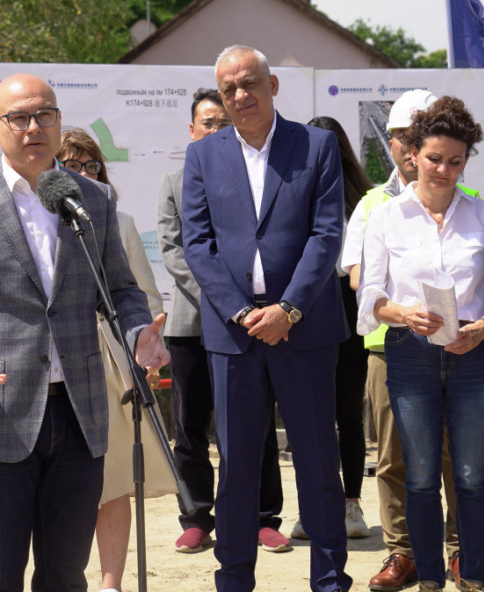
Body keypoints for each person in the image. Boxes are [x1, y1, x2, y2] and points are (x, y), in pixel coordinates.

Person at [0, 73, 168, 592]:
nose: (33, 127)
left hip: (79, 413)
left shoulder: (92, 199)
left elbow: (120, 290)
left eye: (44, 114)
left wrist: (139, 330)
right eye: (19, 118)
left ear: (58, 121)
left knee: (66, 577)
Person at [180, 45, 352, 592]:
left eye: (250, 83)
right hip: (234, 336)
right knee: (236, 468)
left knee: (318, 463)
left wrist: (288, 309)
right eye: (229, 88)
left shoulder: (316, 145)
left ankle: (330, 579)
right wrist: (241, 311)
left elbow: (327, 234)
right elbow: (197, 244)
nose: (240, 95)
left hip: (305, 331)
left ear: (272, 85)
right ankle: (233, 579)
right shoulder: (202, 156)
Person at [340, 89, 468, 591]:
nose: (412, 147)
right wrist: (403, 303)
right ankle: (403, 552)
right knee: (397, 460)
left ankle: (459, 552)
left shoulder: (468, 200)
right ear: (397, 144)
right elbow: (357, 276)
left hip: (461, 350)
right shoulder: (374, 203)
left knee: (458, 457)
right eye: (401, 135)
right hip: (389, 347)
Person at [156, 88, 289, 555]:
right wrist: (226, 302)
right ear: (191, 131)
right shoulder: (173, 181)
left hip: (251, 323)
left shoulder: (253, 179)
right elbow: (174, 251)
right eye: (207, 123)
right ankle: (196, 516)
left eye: (222, 123)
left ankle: (263, 516)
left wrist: (244, 309)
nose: (215, 130)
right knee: (190, 427)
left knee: (256, 424)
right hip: (193, 323)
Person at [56, 127, 174, 592]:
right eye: (72, 165)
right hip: (52, 364)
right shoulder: (32, 221)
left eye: (91, 166)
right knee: (62, 484)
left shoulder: (118, 222)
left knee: (115, 479)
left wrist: (143, 344)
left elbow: (143, 295)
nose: (84, 174)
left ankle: (111, 585)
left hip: (109, 364)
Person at [289, 116, 371, 540]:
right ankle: (313, 506)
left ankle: (351, 504)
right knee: (309, 414)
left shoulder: (363, 201)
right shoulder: (291, 192)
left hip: (349, 301)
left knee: (347, 413)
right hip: (305, 304)